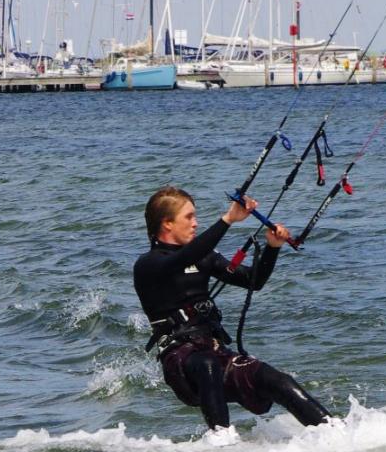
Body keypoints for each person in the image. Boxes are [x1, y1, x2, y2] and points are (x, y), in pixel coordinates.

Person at [134, 185, 332, 431]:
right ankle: (221, 442)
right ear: (167, 224)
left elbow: (252, 281)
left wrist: (272, 248)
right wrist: (228, 219)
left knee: (277, 381)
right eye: (189, 217)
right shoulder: (149, 264)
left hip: (216, 353)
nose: (195, 223)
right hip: (180, 361)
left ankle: (336, 432)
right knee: (207, 365)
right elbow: (181, 260)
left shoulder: (203, 257)